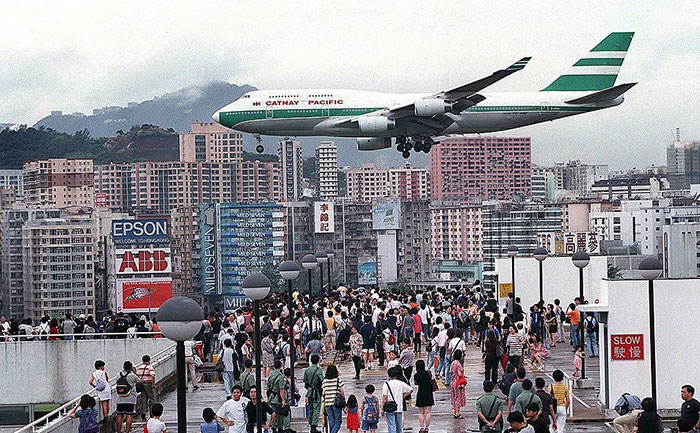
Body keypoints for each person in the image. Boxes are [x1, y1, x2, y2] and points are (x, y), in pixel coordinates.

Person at [381, 366, 413, 433]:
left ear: (388, 375)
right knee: (399, 426)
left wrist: (382, 409)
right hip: (399, 407)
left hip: (390, 408)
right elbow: (411, 389)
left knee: (391, 425)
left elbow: (384, 397)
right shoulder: (400, 383)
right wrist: (404, 396)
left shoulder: (386, 384)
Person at [115, 361, 141, 433]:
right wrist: (135, 372)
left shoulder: (118, 375)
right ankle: (127, 431)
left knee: (119, 415)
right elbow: (139, 381)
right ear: (131, 367)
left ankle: (118, 431)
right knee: (129, 415)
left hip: (120, 398)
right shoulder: (132, 375)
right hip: (130, 398)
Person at [303, 354, 325, 433]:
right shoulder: (318, 370)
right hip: (316, 392)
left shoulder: (307, 370)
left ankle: (311, 424)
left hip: (309, 391)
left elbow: (305, 380)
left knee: (311, 408)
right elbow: (322, 380)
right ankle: (314, 426)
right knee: (316, 409)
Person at [267, 360, 290, 433]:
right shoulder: (280, 376)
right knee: (281, 413)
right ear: (281, 366)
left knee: (274, 412)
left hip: (272, 397)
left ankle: (274, 427)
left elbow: (268, 387)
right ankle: (280, 427)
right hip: (278, 398)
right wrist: (283, 400)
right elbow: (281, 389)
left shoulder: (271, 375)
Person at [322, 364, 345, 433]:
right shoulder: (338, 380)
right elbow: (342, 392)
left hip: (327, 404)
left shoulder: (324, 381)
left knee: (331, 422)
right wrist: (344, 401)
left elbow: (323, 393)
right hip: (336, 404)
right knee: (338, 421)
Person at [413, 360, 435, 433]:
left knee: (421, 412)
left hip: (420, 393)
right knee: (428, 412)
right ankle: (427, 428)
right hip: (428, 393)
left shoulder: (416, 375)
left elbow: (415, 383)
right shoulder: (428, 373)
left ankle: (421, 427)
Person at [136, 355, 157, 421]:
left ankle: (143, 413)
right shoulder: (149, 367)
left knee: (144, 398)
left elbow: (137, 375)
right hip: (148, 384)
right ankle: (152, 413)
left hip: (141, 384)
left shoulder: (139, 367)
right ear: (149, 360)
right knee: (152, 398)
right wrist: (153, 384)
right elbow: (152, 375)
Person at [450, 349, 467, 419]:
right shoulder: (458, 364)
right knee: (458, 397)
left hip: (453, 381)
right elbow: (459, 374)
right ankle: (457, 413)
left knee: (454, 397)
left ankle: (455, 412)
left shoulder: (453, 363)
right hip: (458, 383)